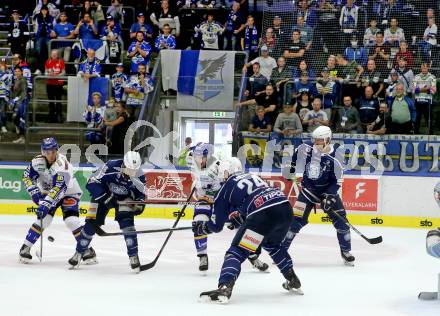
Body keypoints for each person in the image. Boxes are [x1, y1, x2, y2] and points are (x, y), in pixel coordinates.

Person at [196, 158, 302, 303]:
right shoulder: (254, 177)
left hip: (263, 215)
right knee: (272, 245)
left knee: (237, 250)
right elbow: (253, 200)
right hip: (284, 208)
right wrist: (240, 217)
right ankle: (292, 278)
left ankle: (225, 286)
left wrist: (203, 227)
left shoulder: (226, 186)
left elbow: (217, 226)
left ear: (226, 172)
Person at [283, 126, 355, 265]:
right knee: (295, 221)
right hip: (308, 191)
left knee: (342, 223)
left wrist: (330, 195)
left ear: (328, 140)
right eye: (314, 140)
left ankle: (346, 251)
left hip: (327, 192)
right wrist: (290, 167)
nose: (316, 143)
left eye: (319, 140)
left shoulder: (337, 156)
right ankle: (282, 249)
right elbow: (296, 154)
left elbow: (337, 181)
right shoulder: (306, 148)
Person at [19, 138, 96, 264]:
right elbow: (27, 177)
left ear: (57, 150)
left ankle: (87, 249)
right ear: (43, 152)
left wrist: (45, 204)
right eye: (47, 152)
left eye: (53, 151)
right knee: (43, 220)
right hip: (49, 192)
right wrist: (34, 191)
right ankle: (25, 247)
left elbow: (59, 188)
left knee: (72, 221)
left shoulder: (62, 165)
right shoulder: (36, 162)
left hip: (68, 193)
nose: (51, 155)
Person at [68, 151, 146, 272]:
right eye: (129, 169)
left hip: (123, 199)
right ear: (124, 164)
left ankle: (133, 256)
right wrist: (107, 198)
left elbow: (141, 194)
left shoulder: (140, 175)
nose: (131, 173)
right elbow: (91, 182)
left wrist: (139, 205)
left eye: (134, 170)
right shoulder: (110, 166)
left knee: (128, 225)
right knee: (90, 224)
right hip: (103, 195)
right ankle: (79, 253)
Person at [412, 63, 437, 134]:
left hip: (428, 101)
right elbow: (413, 90)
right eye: (422, 68)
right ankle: (416, 134)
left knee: (429, 120)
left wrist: (419, 89)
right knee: (417, 119)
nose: (424, 69)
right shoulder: (416, 77)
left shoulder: (432, 77)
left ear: (428, 68)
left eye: (425, 68)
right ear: (420, 68)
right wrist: (425, 89)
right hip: (418, 101)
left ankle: (431, 134)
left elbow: (433, 90)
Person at [45, 49, 66, 123]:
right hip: (50, 84)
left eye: (55, 54)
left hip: (58, 84)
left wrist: (56, 75)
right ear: (50, 55)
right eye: (53, 54)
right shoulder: (48, 61)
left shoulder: (61, 61)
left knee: (58, 101)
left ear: (57, 55)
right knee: (51, 102)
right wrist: (49, 74)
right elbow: (45, 72)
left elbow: (63, 72)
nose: (54, 55)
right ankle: (51, 117)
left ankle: (59, 116)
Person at [34, 5, 56, 73]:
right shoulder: (38, 18)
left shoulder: (52, 18)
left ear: (47, 11)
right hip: (40, 37)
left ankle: (48, 69)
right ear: (41, 11)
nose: (44, 11)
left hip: (48, 37)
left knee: (49, 53)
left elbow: (54, 28)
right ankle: (39, 69)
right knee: (39, 53)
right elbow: (36, 28)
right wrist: (36, 35)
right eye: (43, 10)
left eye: (45, 10)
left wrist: (53, 33)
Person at [11, 66, 28, 144]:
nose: (17, 72)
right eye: (15, 71)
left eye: (18, 71)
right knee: (15, 118)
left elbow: (24, 92)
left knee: (20, 119)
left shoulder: (23, 80)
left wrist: (16, 99)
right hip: (16, 102)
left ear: (21, 72)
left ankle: (22, 137)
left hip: (22, 103)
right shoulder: (16, 80)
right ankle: (20, 136)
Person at [0, 61, 13, 134]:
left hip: (4, 96)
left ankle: (3, 126)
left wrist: (5, 73)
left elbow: (9, 84)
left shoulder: (8, 75)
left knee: (3, 112)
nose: (1, 67)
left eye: (2, 65)